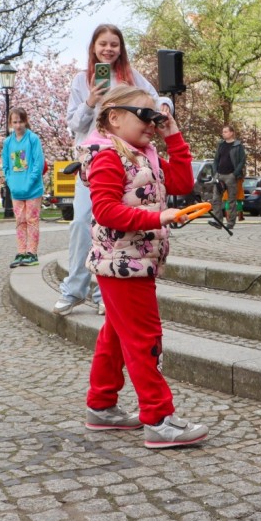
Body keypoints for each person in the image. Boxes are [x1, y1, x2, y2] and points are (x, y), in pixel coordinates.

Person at [78, 85, 208, 448]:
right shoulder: (108, 157)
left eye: (156, 117)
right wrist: (157, 217)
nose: (152, 124)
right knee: (144, 339)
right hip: (122, 264)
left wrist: (173, 135)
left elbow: (182, 181)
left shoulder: (144, 155)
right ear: (114, 118)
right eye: (144, 116)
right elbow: (106, 210)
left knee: (117, 335)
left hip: (134, 261)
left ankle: (102, 405)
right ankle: (159, 419)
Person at [54, 23, 172, 316]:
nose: (108, 49)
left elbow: (156, 98)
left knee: (115, 226)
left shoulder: (131, 78)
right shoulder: (82, 80)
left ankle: (103, 293)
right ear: (94, 47)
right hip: (93, 161)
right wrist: (91, 101)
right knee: (82, 223)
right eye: (103, 44)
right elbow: (74, 124)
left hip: (125, 160)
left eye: (114, 44)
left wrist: (166, 106)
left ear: (121, 49)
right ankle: (74, 289)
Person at [2, 107, 45, 268]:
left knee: (32, 220)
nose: (18, 125)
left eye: (20, 121)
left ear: (25, 121)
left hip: (33, 189)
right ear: (10, 123)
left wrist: (29, 183)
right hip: (16, 190)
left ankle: (32, 253)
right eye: (15, 122)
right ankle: (21, 252)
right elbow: (6, 165)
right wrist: (11, 182)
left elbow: (38, 163)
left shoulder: (33, 139)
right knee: (20, 221)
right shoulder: (7, 142)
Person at [211, 125, 246, 229]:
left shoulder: (238, 146)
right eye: (223, 132)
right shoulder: (221, 145)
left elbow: (242, 161)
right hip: (219, 175)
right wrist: (215, 173)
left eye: (225, 131)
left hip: (231, 176)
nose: (223, 133)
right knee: (215, 199)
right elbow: (216, 159)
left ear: (231, 133)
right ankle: (218, 221)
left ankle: (230, 223)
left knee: (231, 201)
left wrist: (234, 174)